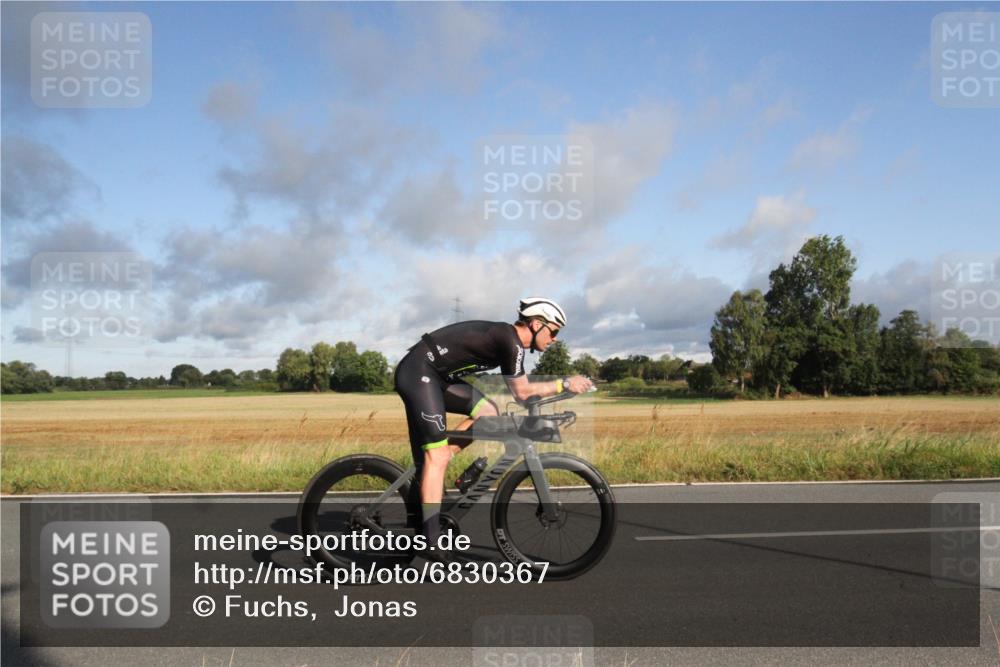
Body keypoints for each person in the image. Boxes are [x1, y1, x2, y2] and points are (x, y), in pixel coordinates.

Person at [393, 297, 594, 552]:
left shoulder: (512, 345)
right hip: (418, 372)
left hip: (438, 376)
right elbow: (522, 393)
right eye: (553, 331)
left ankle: (445, 462)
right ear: (535, 324)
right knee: (436, 456)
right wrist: (563, 384)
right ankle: (432, 541)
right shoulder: (509, 340)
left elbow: (522, 394)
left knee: (489, 412)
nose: (554, 338)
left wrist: (559, 394)